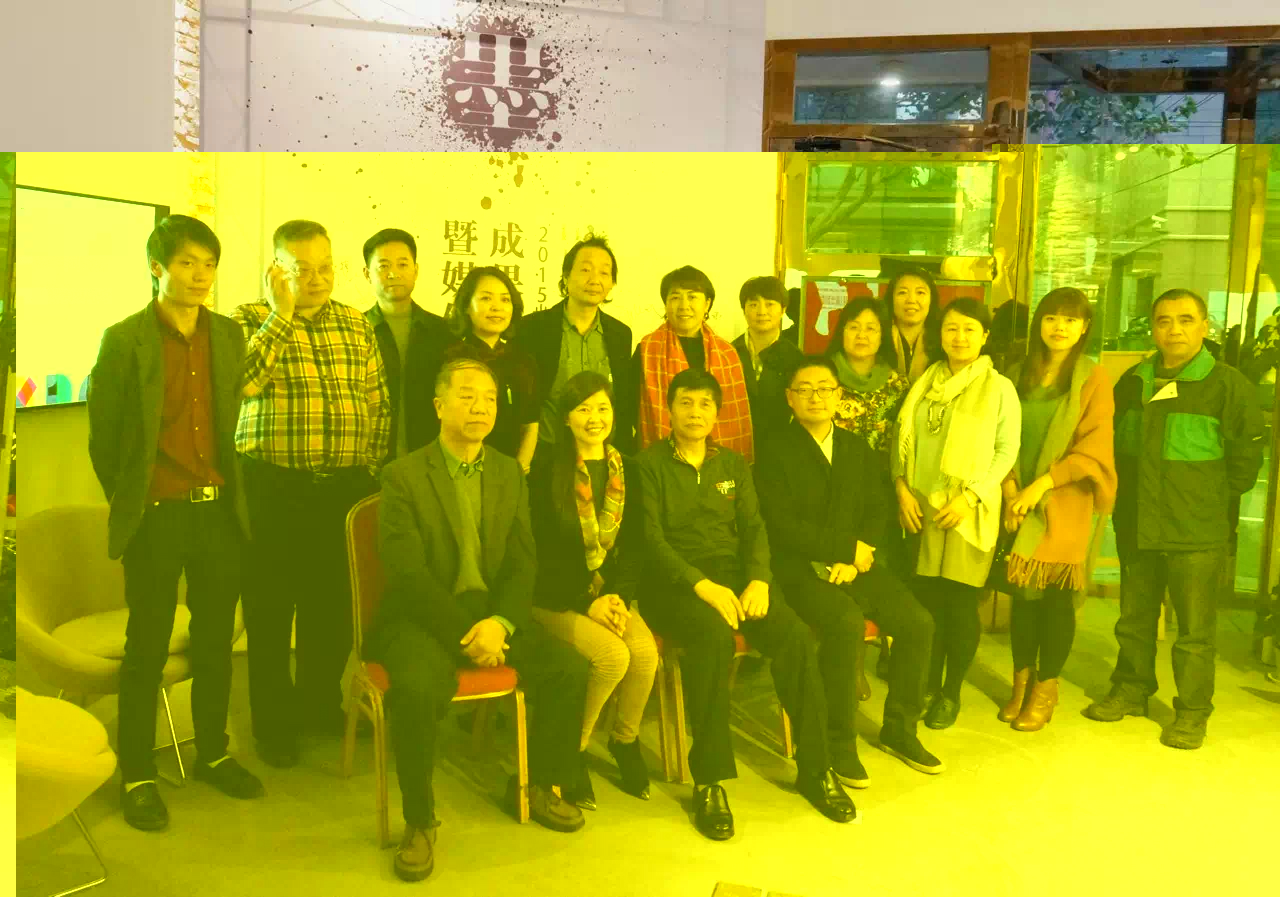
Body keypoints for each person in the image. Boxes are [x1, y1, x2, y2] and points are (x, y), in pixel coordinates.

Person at [373, 358, 591, 881]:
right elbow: (407, 574)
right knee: (417, 689)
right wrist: (466, 635)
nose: (481, 407)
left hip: (491, 616)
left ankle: (538, 786)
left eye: (490, 398)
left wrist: (501, 624)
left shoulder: (508, 471)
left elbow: (522, 562)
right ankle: (419, 821)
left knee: (569, 669)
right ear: (438, 406)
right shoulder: (403, 475)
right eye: (467, 396)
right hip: (421, 618)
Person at [88, 215, 263, 832]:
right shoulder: (124, 340)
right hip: (157, 516)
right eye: (188, 263)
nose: (200, 276)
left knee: (216, 642)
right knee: (148, 645)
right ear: (157, 267)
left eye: (209, 264)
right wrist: (136, 502)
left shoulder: (228, 335)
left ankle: (212, 752)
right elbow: (104, 441)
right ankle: (137, 772)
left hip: (217, 511)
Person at [637, 368, 856, 841]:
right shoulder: (648, 465)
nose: (695, 413)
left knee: (794, 636)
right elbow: (651, 541)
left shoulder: (733, 465)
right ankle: (710, 781)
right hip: (673, 584)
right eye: (685, 403)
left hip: (736, 577)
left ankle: (817, 768)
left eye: (705, 404)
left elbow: (755, 529)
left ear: (718, 413)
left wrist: (759, 580)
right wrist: (701, 586)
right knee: (713, 639)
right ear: (668, 409)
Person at [233, 219, 390, 768]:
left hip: (342, 490)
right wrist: (280, 314)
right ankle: (274, 725)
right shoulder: (247, 319)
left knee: (333, 611)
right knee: (271, 611)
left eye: (325, 267)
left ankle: (318, 704)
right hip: (273, 486)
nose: (318, 278)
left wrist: (369, 469)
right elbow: (243, 382)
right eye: (303, 270)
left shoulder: (354, 322)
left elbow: (377, 401)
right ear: (277, 269)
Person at [1085, 288, 1264, 750]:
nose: (1174, 330)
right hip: (1138, 522)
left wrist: (1206, 500)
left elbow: (1245, 462)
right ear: (1153, 328)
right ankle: (1131, 689)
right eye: (1164, 320)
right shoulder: (1134, 382)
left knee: (1194, 632)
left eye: (1186, 320)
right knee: (1134, 618)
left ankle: (1192, 712)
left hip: (1196, 529)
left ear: (1204, 326)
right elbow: (1113, 447)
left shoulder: (1227, 386)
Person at [757, 357, 942, 786]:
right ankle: (839, 743)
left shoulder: (855, 447)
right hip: (798, 567)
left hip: (855, 562)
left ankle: (900, 730)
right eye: (805, 389)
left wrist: (857, 554)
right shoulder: (773, 450)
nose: (816, 397)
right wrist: (843, 549)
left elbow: (877, 508)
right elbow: (781, 525)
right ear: (789, 398)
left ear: (839, 396)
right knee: (844, 624)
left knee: (918, 623)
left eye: (825, 388)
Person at [528, 371, 657, 809]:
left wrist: (616, 596)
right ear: (566, 418)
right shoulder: (547, 468)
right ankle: (572, 751)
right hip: (554, 595)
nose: (595, 418)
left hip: (609, 593)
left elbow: (635, 545)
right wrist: (589, 602)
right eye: (583, 409)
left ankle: (625, 740)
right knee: (613, 656)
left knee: (644, 654)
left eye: (603, 408)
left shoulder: (628, 467)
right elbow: (541, 550)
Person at [892, 298, 1020, 729]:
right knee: (927, 604)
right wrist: (902, 489)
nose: (959, 337)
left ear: (985, 336)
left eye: (969, 329)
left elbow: (1006, 451)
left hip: (968, 512)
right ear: (940, 334)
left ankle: (951, 692)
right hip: (922, 506)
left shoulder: (999, 388)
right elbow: (901, 439)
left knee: (960, 606)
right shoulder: (925, 381)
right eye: (951, 328)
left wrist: (970, 498)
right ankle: (927, 681)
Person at [998, 288, 1117, 731]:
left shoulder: (1093, 378)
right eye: (1051, 317)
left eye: (1070, 320)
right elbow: (1001, 433)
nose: (1059, 327)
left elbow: (1094, 448)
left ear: (1084, 328)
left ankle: (1046, 689)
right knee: (1023, 598)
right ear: (1039, 323)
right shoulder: (1017, 372)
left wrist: (1041, 486)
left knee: (1054, 600)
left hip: (1065, 500)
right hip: (1018, 497)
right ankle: (1020, 684)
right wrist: (1011, 487)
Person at [514, 234, 635, 464]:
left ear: (612, 283)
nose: (595, 279)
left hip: (602, 457)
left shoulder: (620, 334)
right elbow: (524, 401)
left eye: (604, 273)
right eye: (586, 270)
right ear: (566, 276)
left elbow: (623, 402)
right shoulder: (533, 328)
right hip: (546, 455)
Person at [634, 266, 755, 461]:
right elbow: (631, 409)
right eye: (675, 297)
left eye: (692, 297)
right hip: (660, 461)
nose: (684, 305)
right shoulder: (647, 349)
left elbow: (737, 412)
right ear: (665, 303)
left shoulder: (728, 354)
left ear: (707, 304)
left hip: (718, 461)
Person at [362, 228, 453, 465]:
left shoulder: (443, 332)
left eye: (403, 264)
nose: (394, 273)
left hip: (431, 460)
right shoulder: (355, 330)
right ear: (367, 274)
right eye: (383, 266)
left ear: (416, 270)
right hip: (368, 461)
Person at [443, 266, 540, 472]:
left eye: (505, 300)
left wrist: (518, 470)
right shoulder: (451, 359)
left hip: (512, 470)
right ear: (466, 306)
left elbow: (531, 423)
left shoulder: (523, 361)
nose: (497, 307)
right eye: (486, 298)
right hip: (460, 469)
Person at [826, 297, 909, 453]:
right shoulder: (822, 378)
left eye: (870, 329)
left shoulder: (898, 385)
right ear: (842, 332)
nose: (861, 335)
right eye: (854, 327)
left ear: (882, 336)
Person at [732, 276, 805, 437]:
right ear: (744, 310)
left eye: (770, 304)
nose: (762, 312)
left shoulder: (796, 358)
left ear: (783, 309)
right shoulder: (727, 353)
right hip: (733, 441)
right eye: (753, 305)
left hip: (780, 443)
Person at [882, 265, 943, 385]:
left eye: (920, 292)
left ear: (932, 299)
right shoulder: (878, 337)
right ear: (891, 299)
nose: (911, 300)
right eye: (902, 292)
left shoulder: (943, 340)